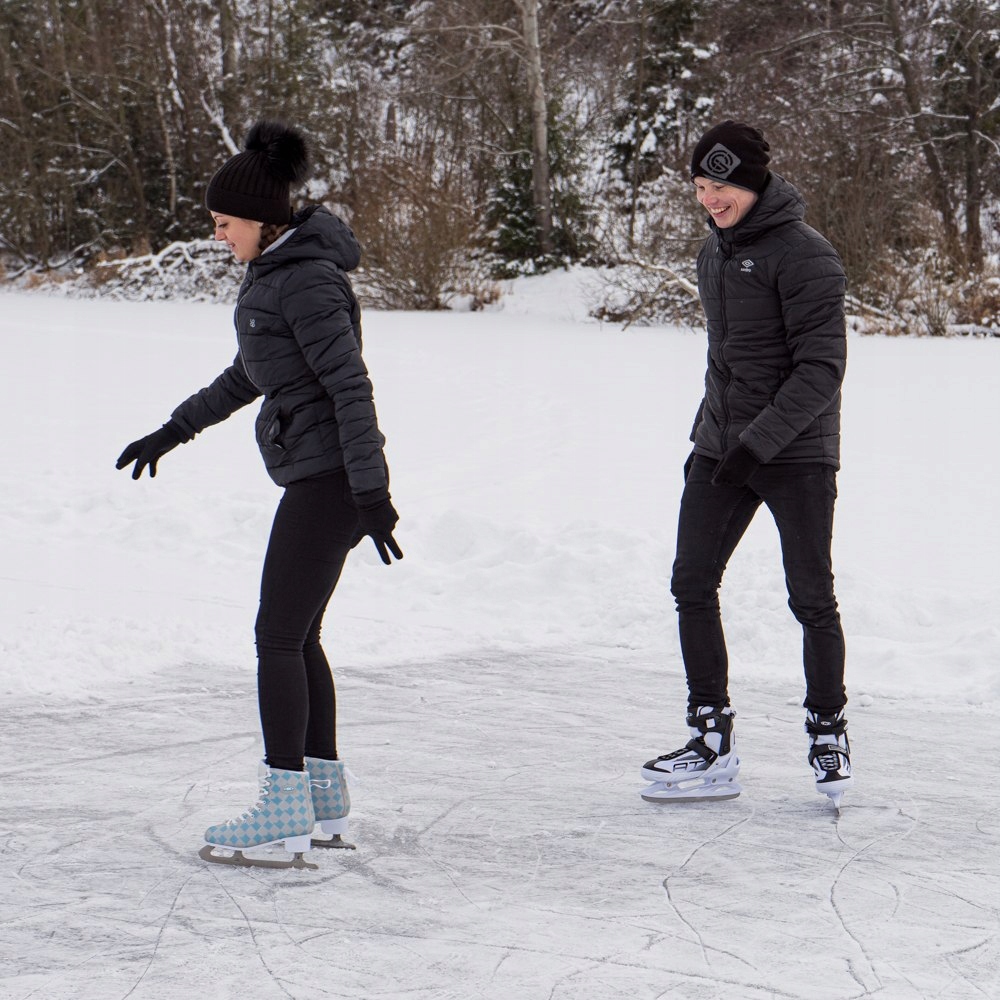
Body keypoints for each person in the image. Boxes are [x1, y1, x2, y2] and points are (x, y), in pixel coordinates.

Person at [116, 120, 402, 867]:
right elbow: (252, 373)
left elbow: (349, 384)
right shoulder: (277, 274)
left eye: (223, 224)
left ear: (261, 220)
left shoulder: (303, 279)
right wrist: (172, 431)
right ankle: (322, 797)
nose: (218, 238)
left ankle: (282, 806)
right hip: (323, 476)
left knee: (276, 637)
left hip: (328, 480)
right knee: (298, 635)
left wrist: (371, 494)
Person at [640, 121, 852, 809]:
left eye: (721, 186)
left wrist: (757, 443)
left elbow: (822, 369)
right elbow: (725, 361)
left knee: (810, 596)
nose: (710, 200)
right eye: (700, 188)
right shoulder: (715, 252)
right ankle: (710, 737)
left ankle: (828, 728)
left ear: (754, 182)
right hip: (721, 449)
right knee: (691, 581)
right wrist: (711, 437)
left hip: (795, 453)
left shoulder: (806, 255)